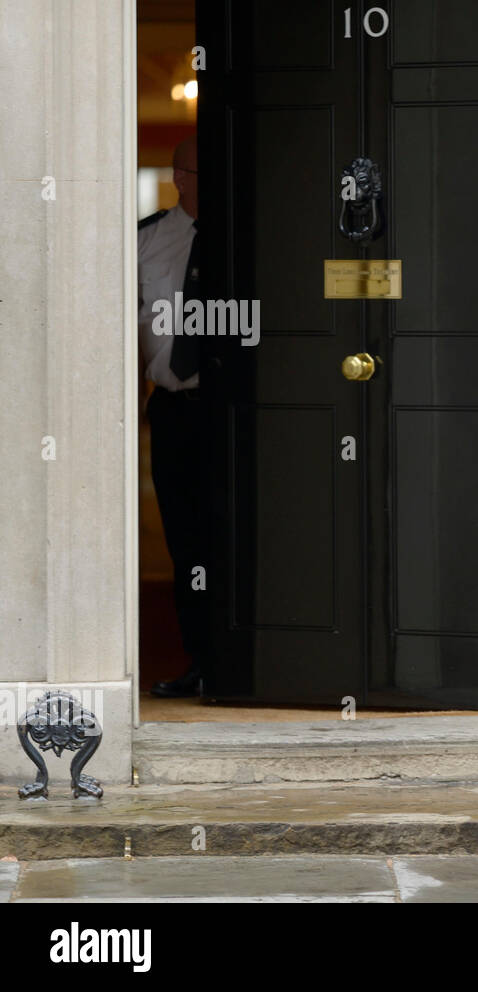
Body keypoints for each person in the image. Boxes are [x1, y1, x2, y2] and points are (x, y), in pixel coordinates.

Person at [139, 135, 211, 698]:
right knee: (186, 542)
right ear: (178, 176)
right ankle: (200, 660)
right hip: (174, 412)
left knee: (239, 537)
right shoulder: (146, 240)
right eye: (199, 169)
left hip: (237, 415)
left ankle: (252, 657)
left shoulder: (251, 232)